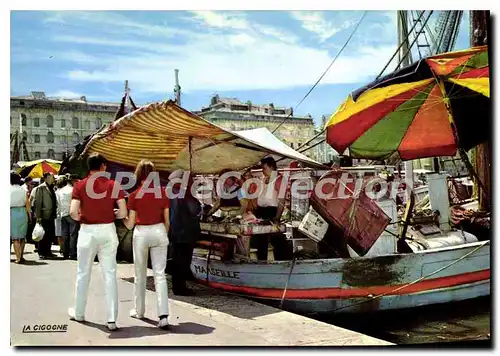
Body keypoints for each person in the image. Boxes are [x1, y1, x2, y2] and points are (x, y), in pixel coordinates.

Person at [68, 153, 127, 331]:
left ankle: (79, 313)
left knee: (82, 273)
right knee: (109, 274)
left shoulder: (80, 185)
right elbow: (123, 212)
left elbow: (72, 212)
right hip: (108, 230)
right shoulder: (113, 184)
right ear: (102, 166)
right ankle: (111, 319)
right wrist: (112, 213)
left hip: (87, 231)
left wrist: (84, 217)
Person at [124, 160, 170, 329]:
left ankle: (139, 310)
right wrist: (164, 234)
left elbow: (130, 224)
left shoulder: (134, 194)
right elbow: (167, 221)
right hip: (159, 231)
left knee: (139, 274)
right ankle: (163, 316)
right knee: (160, 274)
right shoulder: (162, 192)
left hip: (141, 233)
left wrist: (121, 216)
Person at [251, 157, 293, 261]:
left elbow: (281, 200)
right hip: (260, 213)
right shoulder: (264, 179)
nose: (262, 170)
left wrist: (277, 217)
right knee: (261, 240)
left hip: (272, 212)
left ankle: (281, 262)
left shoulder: (280, 180)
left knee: (276, 240)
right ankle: (261, 262)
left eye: (264, 168)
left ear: (271, 166)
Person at [168, 169, 201, 296]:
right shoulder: (184, 194)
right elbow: (194, 210)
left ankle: (178, 286)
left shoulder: (171, 193)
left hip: (175, 231)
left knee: (177, 260)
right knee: (182, 261)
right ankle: (180, 288)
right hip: (185, 232)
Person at [34, 172, 58, 260]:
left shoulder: (52, 187)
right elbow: (38, 203)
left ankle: (48, 251)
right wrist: (38, 216)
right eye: (52, 177)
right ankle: (41, 252)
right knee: (42, 234)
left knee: (50, 234)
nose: (53, 178)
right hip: (44, 214)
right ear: (46, 177)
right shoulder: (41, 187)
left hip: (51, 214)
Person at [57, 174, 79, 260]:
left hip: (63, 214)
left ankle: (65, 252)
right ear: (73, 181)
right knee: (73, 234)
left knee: (64, 235)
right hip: (72, 214)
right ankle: (72, 253)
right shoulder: (74, 190)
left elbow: (58, 203)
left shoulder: (60, 190)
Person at [11, 171, 31, 264]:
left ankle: (18, 258)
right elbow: (28, 205)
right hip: (22, 212)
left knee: (15, 237)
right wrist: (30, 216)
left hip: (12, 212)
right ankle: (21, 256)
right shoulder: (23, 190)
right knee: (22, 237)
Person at [54, 176, 67, 256]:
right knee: (65, 232)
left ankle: (61, 248)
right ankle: (64, 248)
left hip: (58, 213)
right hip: (65, 212)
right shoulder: (66, 191)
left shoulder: (56, 192)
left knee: (59, 232)